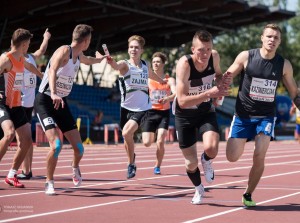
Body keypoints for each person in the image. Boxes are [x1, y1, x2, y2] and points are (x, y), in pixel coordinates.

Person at [225, 24, 299, 207]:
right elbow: (229, 74)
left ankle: (248, 193)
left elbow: (294, 92)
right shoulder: (246, 56)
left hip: (266, 116)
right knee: (232, 157)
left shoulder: (284, 64)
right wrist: (222, 83)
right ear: (262, 38)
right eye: (269, 36)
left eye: (276, 38)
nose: (272, 40)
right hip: (243, 115)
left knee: (260, 154)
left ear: (280, 42)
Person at [34, 24, 108, 195]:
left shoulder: (78, 54)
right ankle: (49, 182)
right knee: (57, 145)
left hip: (62, 103)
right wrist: (53, 93)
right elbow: (52, 70)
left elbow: (89, 60)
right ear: (86, 40)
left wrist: (101, 59)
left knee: (80, 149)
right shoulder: (64, 51)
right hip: (46, 100)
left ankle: (74, 166)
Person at [175, 30, 231, 205]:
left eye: (208, 49)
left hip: (205, 110)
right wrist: (209, 92)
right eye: (200, 50)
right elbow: (182, 101)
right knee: (190, 164)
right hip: (184, 115)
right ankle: (199, 188)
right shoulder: (184, 64)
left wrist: (222, 83)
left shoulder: (214, 57)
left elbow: (218, 74)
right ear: (193, 49)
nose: (205, 54)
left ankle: (206, 160)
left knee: (212, 148)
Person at [107, 35, 165, 179]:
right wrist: (110, 62)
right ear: (128, 49)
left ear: (141, 50)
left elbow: (151, 75)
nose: (133, 49)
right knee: (127, 139)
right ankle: (131, 160)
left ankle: (131, 164)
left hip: (142, 108)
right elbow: (115, 66)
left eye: (136, 47)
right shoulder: (124, 64)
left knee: (126, 133)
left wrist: (162, 81)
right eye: (131, 47)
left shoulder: (145, 65)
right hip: (125, 108)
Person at [0, 28, 43, 188]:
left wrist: (40, 75)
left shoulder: (20, 58)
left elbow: (29, 67)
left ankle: (12, 174)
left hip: (17, 104)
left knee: (26, 140)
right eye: (29, 44)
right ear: (24, 45)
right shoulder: (5, 59)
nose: (29, 46)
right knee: (9, 133)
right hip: (3, 104)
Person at [17, 28, 51, 180]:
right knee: (22, 139)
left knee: (26, 140)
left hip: (28, 105)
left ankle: (27, 170)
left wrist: (46, 37)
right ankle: (23, 170)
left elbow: (41, 50)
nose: (30, 44)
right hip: (17, 103)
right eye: (28, 41)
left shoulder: (31, 57)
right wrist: (41, 74)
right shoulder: (15, 58)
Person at [141, 52, 176, 175]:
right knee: (147, 143)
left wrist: (168, 98)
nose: (155, 64)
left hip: (163, 113)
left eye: (158, 62)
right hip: (150, 112)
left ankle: (157, 166)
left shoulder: (169, 79)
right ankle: (152, 134)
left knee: (160, 140)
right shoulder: (148, 79)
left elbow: (176, 93)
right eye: (154, 61)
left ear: (163, 64)